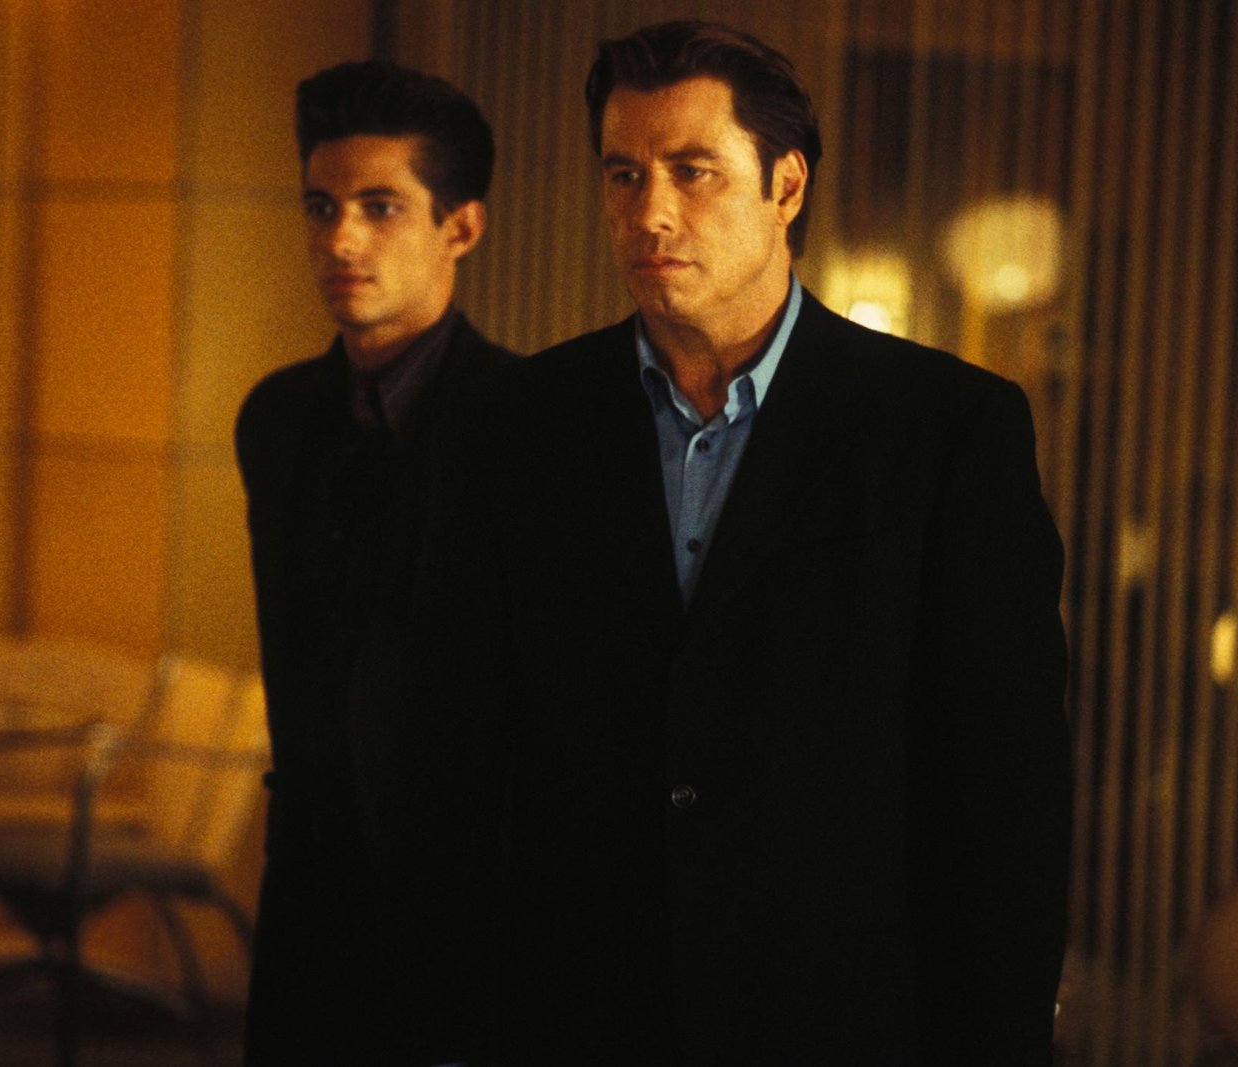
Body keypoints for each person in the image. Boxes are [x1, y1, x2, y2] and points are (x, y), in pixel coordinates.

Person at [399, 20, 1072, 1065]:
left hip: (837, 1020)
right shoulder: (513, 426)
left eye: (693, 170)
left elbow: (1003, 793)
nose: (649, 212)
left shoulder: (945, 429)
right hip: (576, 1014)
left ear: (785, 185)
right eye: (623, 174)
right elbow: (457, 760)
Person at [234, 59, 513, 1065]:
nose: (340, 239)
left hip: (464, 911)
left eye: (380, 207)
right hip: (307, 889)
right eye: (322, 206)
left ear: (461, 227)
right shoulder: (277, 418)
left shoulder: (525, 424)